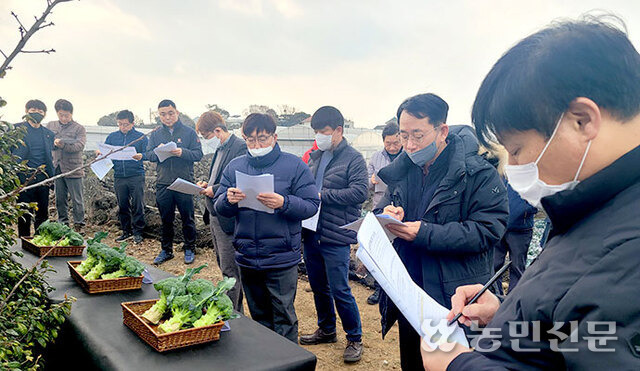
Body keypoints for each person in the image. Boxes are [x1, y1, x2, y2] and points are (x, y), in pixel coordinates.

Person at [422, 17, 640, 370]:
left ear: (582, 120)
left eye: (518, 149)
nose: (513, 165)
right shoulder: (593, 207)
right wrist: (507, 315)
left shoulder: (630, 250)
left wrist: (457, 366)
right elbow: (579, 334)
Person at [375, 93, 508, 371]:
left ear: (441, 131)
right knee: (412, 361)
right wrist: (390, 213)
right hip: (409, 291)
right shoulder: (405, 169)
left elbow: (487, 230)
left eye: (418, 135)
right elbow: (387, 205)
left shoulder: (476, 174)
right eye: (404, 136)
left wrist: (424, 233)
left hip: (452, 295)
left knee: (449, 363)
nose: (410, 145)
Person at [214, 113, 319, 343]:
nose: (257, 145)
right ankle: (268, 360)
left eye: (262, 139)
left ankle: (289, 361)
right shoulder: (235, 166)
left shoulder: (294, 166)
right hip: (247, 255)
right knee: (259, 316)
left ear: (274, 137)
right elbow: (219, 204)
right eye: (250, 140)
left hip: (281, 256)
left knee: (284, 315)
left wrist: (284, 202)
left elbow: (312, 205)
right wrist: (228, 200)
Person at [300, 106, 368, 363]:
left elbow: (360, 192)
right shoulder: (315, 156)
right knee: (318, 285)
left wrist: (322, 196)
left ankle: (354, 337)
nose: (319, 136)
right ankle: (327, 329)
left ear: (338, 130)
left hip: (336, 233)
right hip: (312, 230)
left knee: (340, 288)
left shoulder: (353, 158)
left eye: (324, 132)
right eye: (316, 132)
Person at [196, 111, 247, 313]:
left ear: (217, 131)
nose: (206, 142)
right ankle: (237, 311)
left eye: (206, 137)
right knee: (223, 264)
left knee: (230, 270)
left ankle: (231, 312)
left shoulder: (239, 148)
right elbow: (219, 178)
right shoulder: (220, 149)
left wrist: (214, 190)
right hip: (215, 215)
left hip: (228, 216)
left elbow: (238, 182)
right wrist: (207, 184)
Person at [146, 99, 203, 265]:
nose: (167, 117)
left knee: (188, 217)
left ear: (177, 113)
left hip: (184, 182)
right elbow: (149, 154)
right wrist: (159, 152)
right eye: (163, 114)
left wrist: (182, 152)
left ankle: (190, 248)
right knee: (166, 218)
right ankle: (166, 250)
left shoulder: (189, 133)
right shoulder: (156, 134)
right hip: (163, 182)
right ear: (159, 116)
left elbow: (198, 154)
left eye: (170, 113)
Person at [365, 122, 402, 305]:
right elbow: (366, 183)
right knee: (381, 252)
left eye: (396, 142)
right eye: (389, 143)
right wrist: (371, 181)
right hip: (380, 207)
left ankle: (397, 292)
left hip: (401, 210)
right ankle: (379, 291)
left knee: (399, 254)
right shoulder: (376, 157)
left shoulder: (408, 157)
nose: (393, 147)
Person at [100, 110, 147, 244]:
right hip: (119, 175)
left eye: (125, 124)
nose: (123, 127)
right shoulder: (112, 137)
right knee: (122, 204)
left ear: (132, 123)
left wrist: (141, 155)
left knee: (138, 204)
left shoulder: (141, 137)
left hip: (136, 175)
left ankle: (138, 232)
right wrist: (100, 153)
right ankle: (126, 231)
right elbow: (106, 152)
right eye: (120, 124)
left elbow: (148, 152)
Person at [14, 99, 55, 237]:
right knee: (24, 214)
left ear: (44, 114)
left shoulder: (48, 134)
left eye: (40, 111)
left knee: (42, 214)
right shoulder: (16, 130)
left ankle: (39, 242)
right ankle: (23, 243)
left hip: (42, 179)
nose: (37, 112)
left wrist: (51, 177)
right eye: (33, 110)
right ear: (26, 111)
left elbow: (49, 157)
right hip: (23, 179)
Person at [46, 99, 87, 232]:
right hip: (57, 167)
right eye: (61, 115)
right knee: (60, 198)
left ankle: (79, 224)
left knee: (77, 199)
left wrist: (62, 145)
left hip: (74, 169)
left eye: (67, 115)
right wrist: (54, 144)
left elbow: (79, 146)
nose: (64, 118)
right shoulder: (51, 125)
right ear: (57, 113)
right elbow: (46, 144)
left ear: (71, 114)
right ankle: (63, 224)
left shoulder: (79, 128)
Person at [493, 179, 538, 294]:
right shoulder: (500, 170)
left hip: (521, 229)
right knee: (494, 265)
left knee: (517, 267)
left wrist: (526, 210)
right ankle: (495, 296)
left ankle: (513, 300)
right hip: (500, 227)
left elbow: (538, 197)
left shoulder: (529, 174)